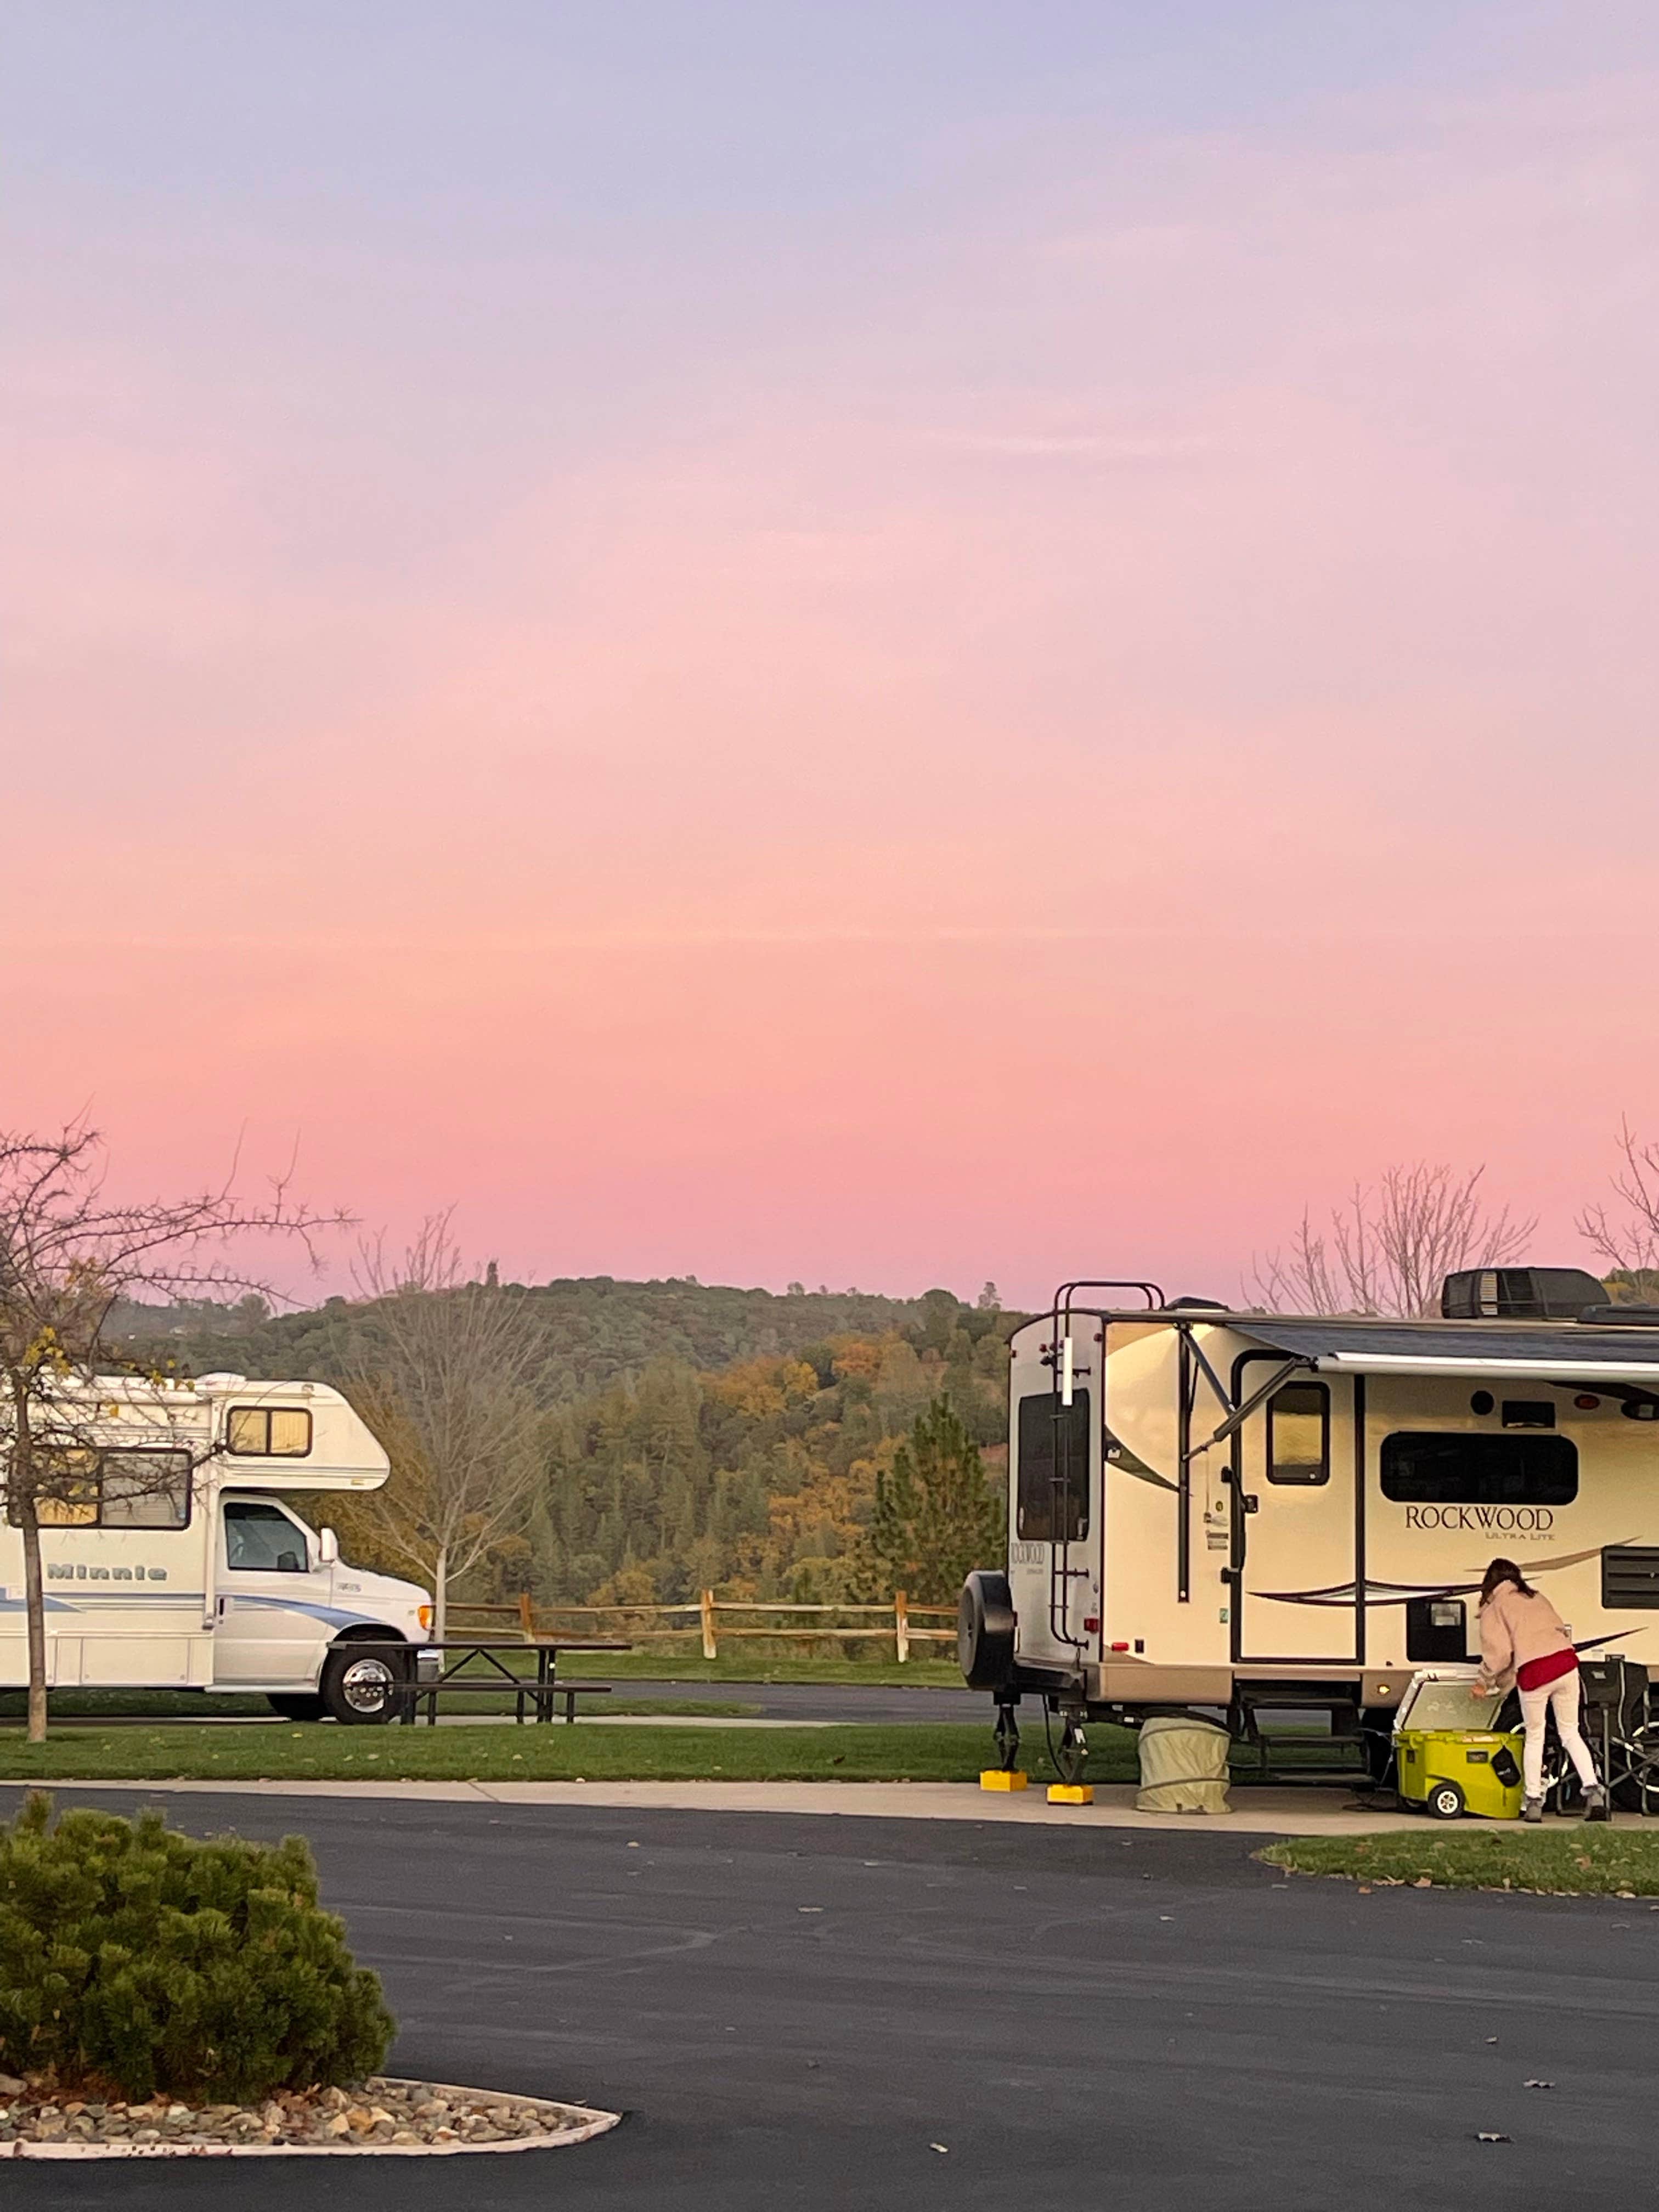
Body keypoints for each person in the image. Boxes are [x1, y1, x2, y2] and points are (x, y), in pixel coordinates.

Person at [1472, 1557, 1606, 1823]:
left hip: (1536, 1673)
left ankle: (1533, 1801)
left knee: (1536, 1736)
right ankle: (1594, 1793)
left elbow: (1499, 1655)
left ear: (1490, 1581)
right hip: (1566, 1665)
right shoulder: (1537, 1597)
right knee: (1570, 1732)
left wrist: (1484, 1683)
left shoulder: (1496, 1606)